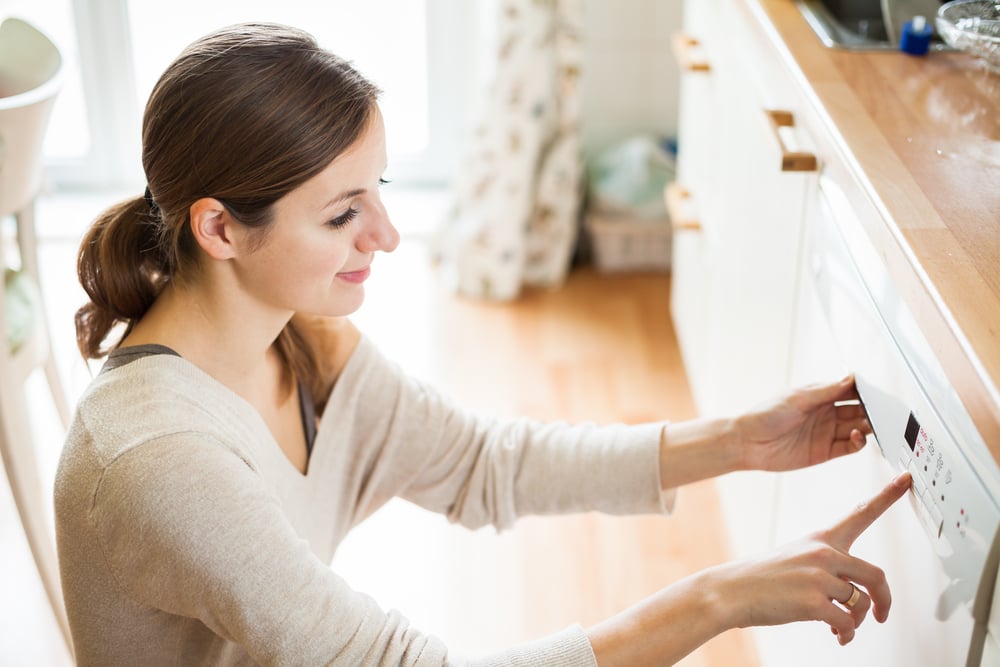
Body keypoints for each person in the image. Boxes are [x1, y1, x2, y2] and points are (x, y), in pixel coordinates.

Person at [54, 22, 911, 667]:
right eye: (342, 212)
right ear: (221, 229)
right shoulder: (158, 455)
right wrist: (720, 594)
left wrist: (733, 442)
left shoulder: (302, 342)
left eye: (376, 191)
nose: (385, 236)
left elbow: (482, 462)